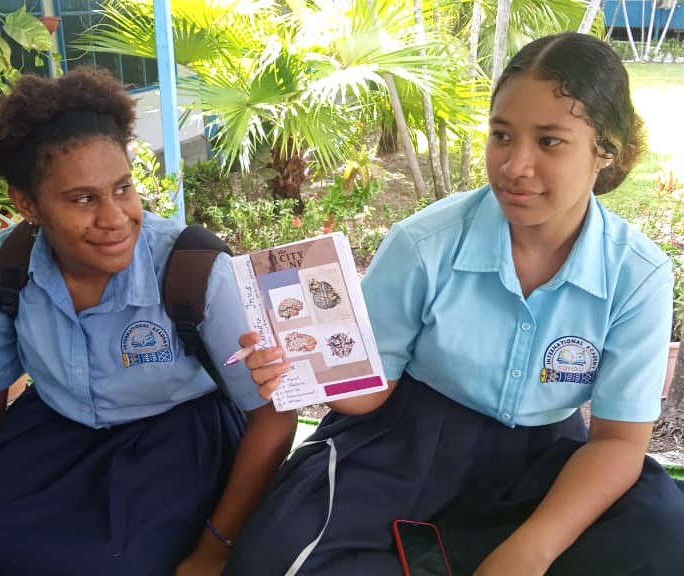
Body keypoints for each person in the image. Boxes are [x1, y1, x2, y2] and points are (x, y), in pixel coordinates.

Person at [225, 32, 684, 576]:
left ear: (604, 148)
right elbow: (372, 393)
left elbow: (617, 442)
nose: (515, 166)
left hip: (545, 463)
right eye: (501, 135)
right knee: (282, 556)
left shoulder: (637, 274)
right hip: (404, 447)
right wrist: (304, 366)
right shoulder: (423, 245)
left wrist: (530, 550)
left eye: (550, 141)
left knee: (663, 534)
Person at [0, 68, 296, 576]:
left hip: (179, 436)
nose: (115, 218)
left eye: (123, 188)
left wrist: (216, 548)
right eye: (82, 198)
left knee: (116, 564)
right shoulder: (1, 273)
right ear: (26, 204)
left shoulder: (194, 270)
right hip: (57, 423)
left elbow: (274, 414)